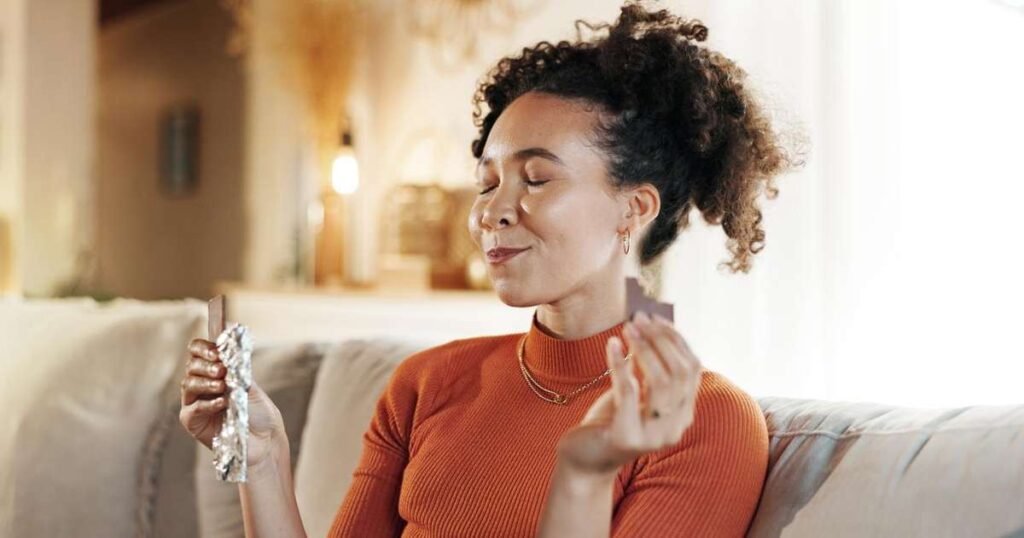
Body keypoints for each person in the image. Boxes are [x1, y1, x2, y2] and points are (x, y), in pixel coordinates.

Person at [179, 1, 802, 536]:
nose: (490, 212)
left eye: (536, 178)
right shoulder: (427, 384)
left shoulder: (704, 422)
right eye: (487, 183)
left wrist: (583, 475)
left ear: (633, 208)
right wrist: (262, 460)